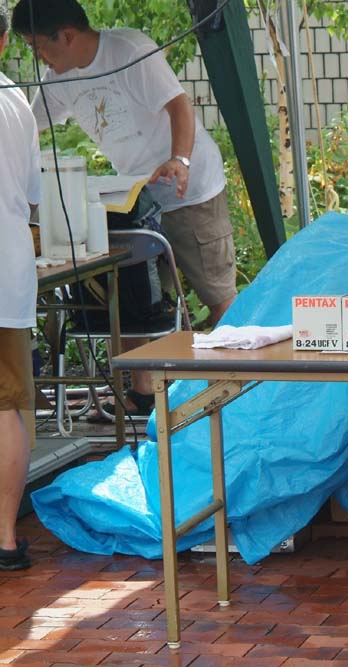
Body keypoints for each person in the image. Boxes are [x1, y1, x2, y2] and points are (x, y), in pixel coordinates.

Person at [11, 0, 237, 416]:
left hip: (189, 188)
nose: (37, 55)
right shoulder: (57, 77)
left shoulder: (129, 50)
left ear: (66, 35)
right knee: (135, 295)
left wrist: (180, 160)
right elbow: (27, 126)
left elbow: (179, 106)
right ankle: (143, 393)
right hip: (135, 193)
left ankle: (238, 390)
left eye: (36, 45)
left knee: (217, 293)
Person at [0, 5, 41, 571]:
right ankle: (5, 539)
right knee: (6, 404)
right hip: (9, 272)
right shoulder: (16, 100)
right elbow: (32, 195)